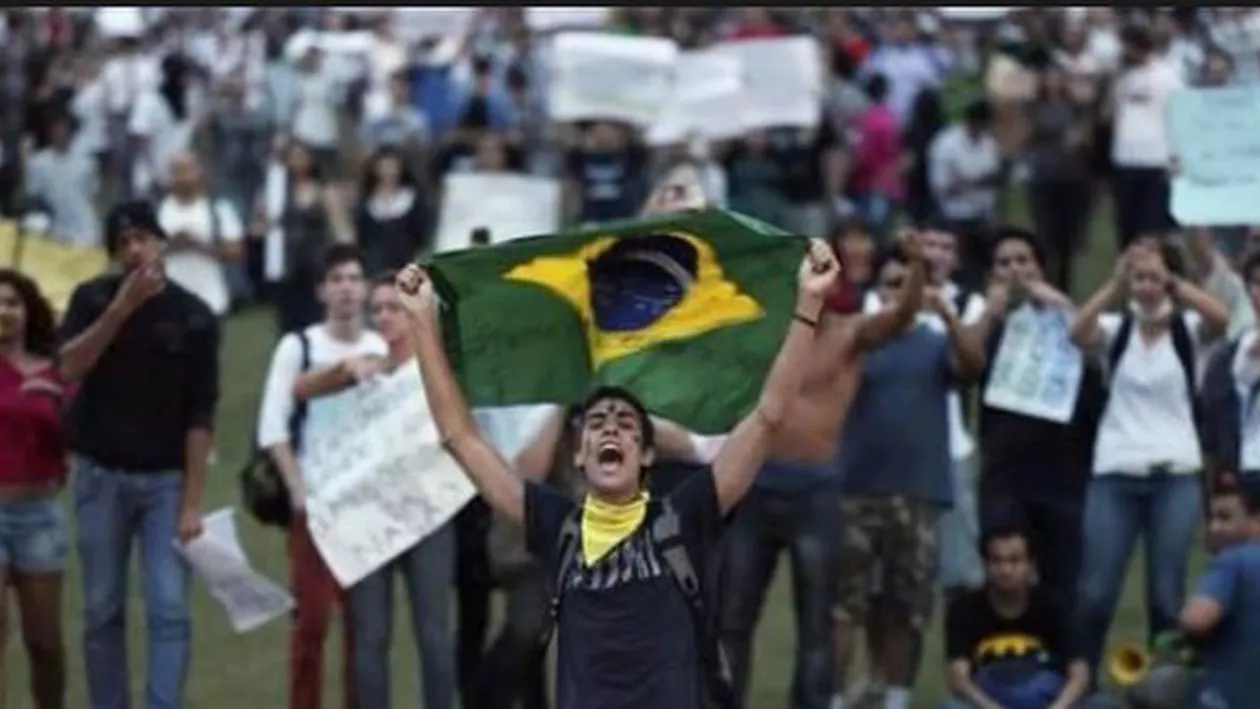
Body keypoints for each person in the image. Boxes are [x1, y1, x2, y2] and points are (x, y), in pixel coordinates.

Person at [392, 237, 840, 708]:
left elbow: (768, 416)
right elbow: (460, 438)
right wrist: (422, 322)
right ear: (581, 455)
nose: (609, 428)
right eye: (596, 423)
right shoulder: (558, 526)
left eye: (625, 424)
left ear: (646, 455)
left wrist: (808, 304)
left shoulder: (684, 516)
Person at [58, 201, 220, 709]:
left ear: (162, 242)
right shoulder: (90, 299)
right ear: (113, 254)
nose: (134, 250)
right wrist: (119, 309)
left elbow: (201, 415)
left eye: (142, 238)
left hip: (166, 484)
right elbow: (67, 368)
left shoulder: (195, 316)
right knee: (103, 608)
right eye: (123, 243)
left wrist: (193, 503)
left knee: (169, 607)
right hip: (100, 476)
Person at [290, 270, 455, 709]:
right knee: (369, 636)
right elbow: (301, 389)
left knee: (434, 632)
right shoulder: (365, 371)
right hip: (370, 521)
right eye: (377, 309)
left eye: (393, 308)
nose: (384, 317)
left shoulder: (437, 369)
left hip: (428, 516)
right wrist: (347, 370)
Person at [1069, 242, 1230, 676]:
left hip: (1175, 472)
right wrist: (1115, 283)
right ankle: (1082, 683)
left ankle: (1164, 684)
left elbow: (1221, 318)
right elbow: (1077, 331)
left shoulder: (1187, 330)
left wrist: (1175, 284)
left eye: (1153, 278)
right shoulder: (1115, 329)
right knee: (1097, 590)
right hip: (1115, 470)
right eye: (1139, 279)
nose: (1146, 287)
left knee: (1165, 592)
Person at [256, 244, 385, 709]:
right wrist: (297, 488)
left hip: (366, 504)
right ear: (321, 291)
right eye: (337, 280)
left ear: (366, 288)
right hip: (314, 501)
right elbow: (272, 425)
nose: (347, 288)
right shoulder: (299, 346)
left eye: (354, 278)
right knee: (311, 621)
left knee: (363, 626)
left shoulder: (380, 347)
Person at [0, 269, 69, 709]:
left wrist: (57, 404)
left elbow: (76, 441)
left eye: (11, 303)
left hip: (39, 512)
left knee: (43, 642)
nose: (3, 311)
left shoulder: (53, 373)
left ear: (28, 313)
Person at [944, 525, 1091, 709]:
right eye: (997, 561)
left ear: (1031, 564)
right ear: (985, 564)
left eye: (1015, 561)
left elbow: (1080, 674)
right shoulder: (963, 609)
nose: (1005, 570)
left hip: (1046, 698)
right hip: (986, 699)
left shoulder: (1055, 607)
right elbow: (958, 679)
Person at [1178, 476, 1260, 709]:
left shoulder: (1235, 561)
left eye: (1225, 518)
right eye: (1210, 518)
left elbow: (1196, 620)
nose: (1214, 528)